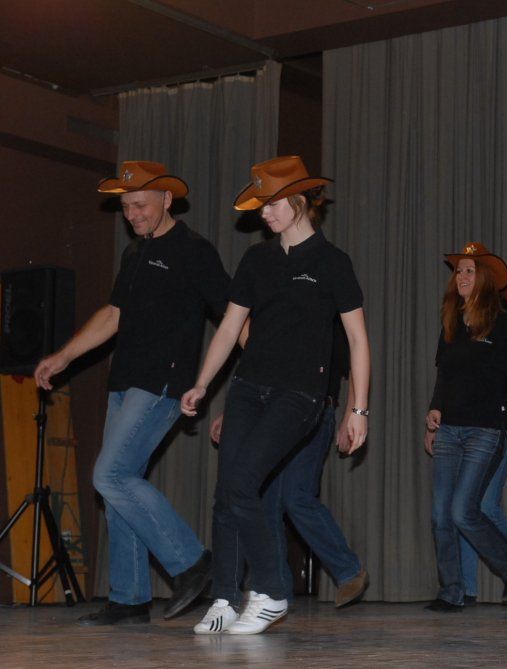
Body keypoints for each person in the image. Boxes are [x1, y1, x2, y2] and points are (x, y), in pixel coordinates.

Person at [181, 156, 371, 635]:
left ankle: (270, 592)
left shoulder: (332, 263)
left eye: (271, 204)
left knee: (244, 484)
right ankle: (224, 597)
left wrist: (358, 409)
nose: (263, 214)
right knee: (227, 492)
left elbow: (357, 340)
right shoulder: (257, 260)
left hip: (300, 395)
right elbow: (230, 328)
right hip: (248, 388)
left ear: (300, 201)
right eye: (260, 206)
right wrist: (202, 383)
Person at [34, 161, 229, 626]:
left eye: (140, 205)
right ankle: (129, 597)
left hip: (163, 381)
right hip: (124, 381)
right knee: (120, 485)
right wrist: (64, 356)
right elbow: (113, 314)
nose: (132, 215)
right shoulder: (135, 253)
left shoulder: (194, 250)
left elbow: (232, 313)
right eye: (125, 208)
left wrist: (253, 371)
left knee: (111, 474)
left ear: (167, 199)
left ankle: (193, 562)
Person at [209, 324, 369, 609]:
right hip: (273, 411)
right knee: (266, 502)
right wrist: (231, 414)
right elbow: (257, 372)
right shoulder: (280, 320)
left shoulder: (330, 315)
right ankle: (275, 590)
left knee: (296, 496)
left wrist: (351, 415)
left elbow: (354, 367)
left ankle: (348, 569)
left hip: (317, 410)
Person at [424, 243, 507, 612]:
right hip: (449, 430)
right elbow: (444, 374)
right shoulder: (451, 324)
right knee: (441, 515)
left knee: (464, 511)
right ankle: (452, 591)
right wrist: (433, 412)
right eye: (458, 271)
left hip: (486, 430)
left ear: (485, 279)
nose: (461, 276)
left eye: (469, 271)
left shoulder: (505, 325)